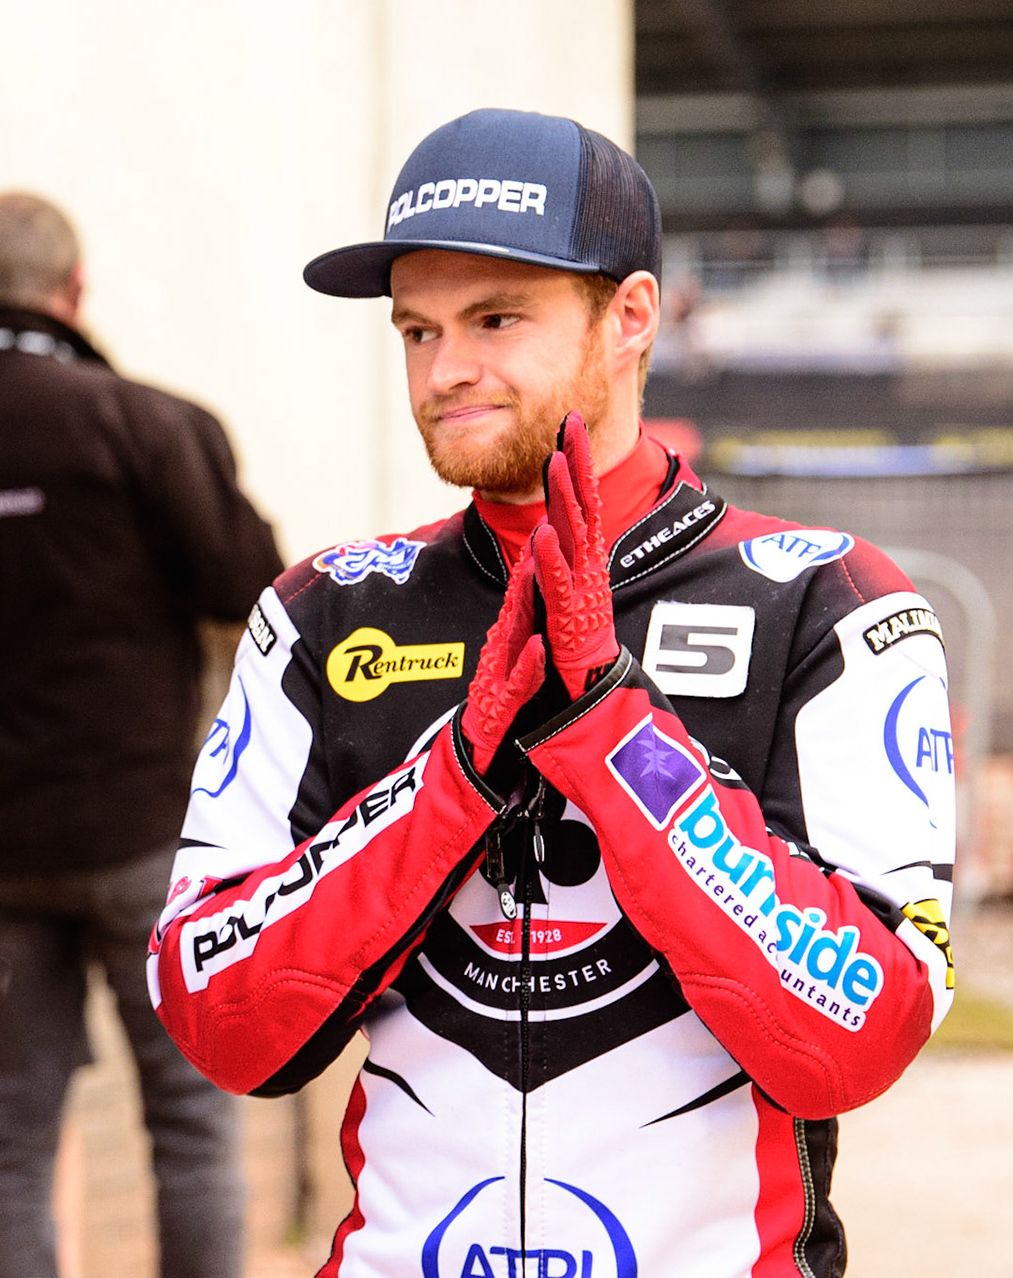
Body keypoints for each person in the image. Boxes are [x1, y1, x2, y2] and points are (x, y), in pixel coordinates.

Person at [149, 109, 960, 1278]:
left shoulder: (824, 601)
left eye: (496, 319)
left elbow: (861, 1032)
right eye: (417, 330)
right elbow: (215, 1013)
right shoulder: (326, 612)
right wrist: (449, 783)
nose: (444, 371)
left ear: (630, 318)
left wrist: (615, 735)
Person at [0, 192, 280, 1278]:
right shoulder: (148, 425)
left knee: (13, 1141)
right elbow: (256, 587)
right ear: (73, 292)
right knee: (189, 1120)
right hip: (146, 841)